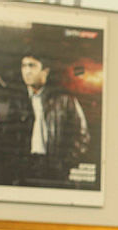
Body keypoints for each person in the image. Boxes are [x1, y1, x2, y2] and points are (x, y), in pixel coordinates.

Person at [12, 51, 91, 186]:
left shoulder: (64, 99)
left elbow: (82, 136)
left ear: (45, 72)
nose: (27, 71)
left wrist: (64, 163)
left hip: (55, 168)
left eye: (32, 66)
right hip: (26, 167)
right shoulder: (18, 100)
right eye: (24, 66)